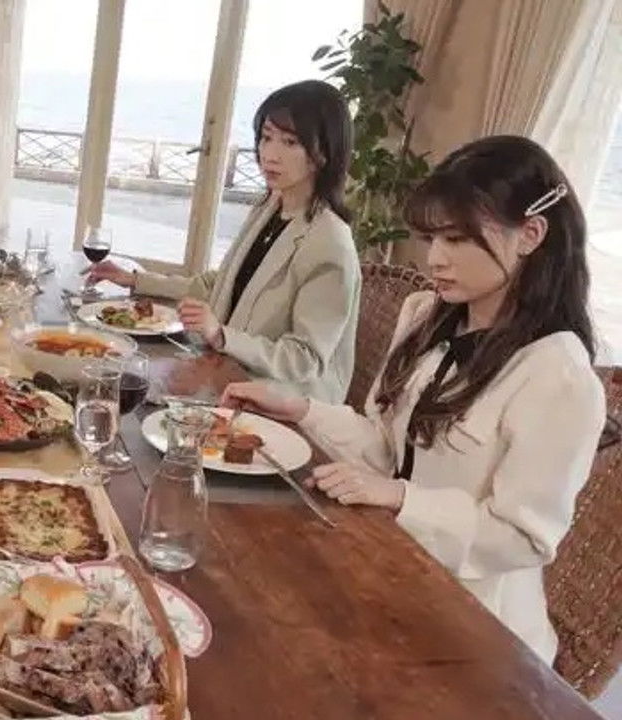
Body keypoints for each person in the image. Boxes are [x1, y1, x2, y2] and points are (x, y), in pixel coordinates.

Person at [222, 135, 606, 664]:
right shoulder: (425, 317)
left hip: (475, 632)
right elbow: (386, 446)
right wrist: (301, 410)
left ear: (531, 234)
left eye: (458, 239)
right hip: (384, 568)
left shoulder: (558, 376)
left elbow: (522, 538)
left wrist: (402, 499)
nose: (435, 258)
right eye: (432, 237)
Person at [87, 80, 360, 402]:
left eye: (290, 142)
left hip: (281, 400)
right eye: (266, 138)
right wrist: (135, 280)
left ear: (324, 152)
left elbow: (306, 359)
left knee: (117, 388)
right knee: (102, 367)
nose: (270, 155)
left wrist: (220, 335)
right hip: (224, 370)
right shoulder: (269, 207)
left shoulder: (330, 243)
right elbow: (217, 285)